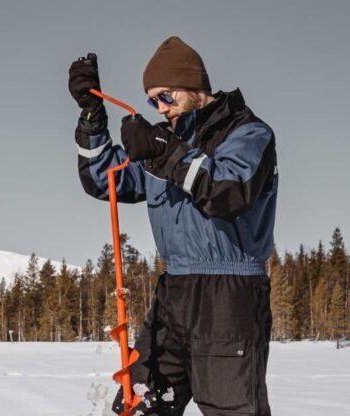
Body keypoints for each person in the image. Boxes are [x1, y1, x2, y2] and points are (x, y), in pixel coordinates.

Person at [68, 37, 277, 415]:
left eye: (166, 96)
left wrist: (164, 149)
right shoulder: (167, 146)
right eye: (152, 101)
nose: (160, 109)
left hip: (229, 295)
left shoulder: (247, 133)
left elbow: (227, 191)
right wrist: (92, 116)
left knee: (230, 408)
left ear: (196, 88)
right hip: (174, 294)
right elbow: (105, 179)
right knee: (141, 404)